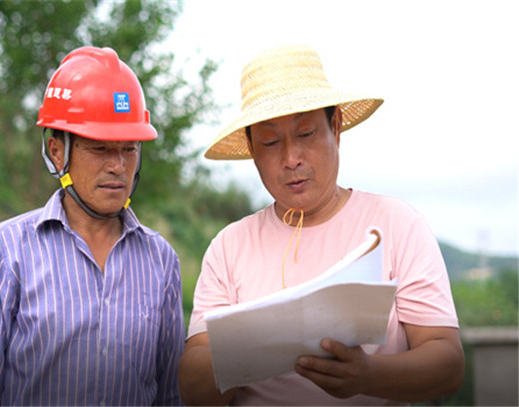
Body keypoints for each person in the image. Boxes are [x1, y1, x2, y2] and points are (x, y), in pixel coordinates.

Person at [178, 44, 465, 406]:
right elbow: (193, 388)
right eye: (270, 142)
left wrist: (368, 375)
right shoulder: (229, 246)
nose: (291, 158)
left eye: (306, 133)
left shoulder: (397, 225)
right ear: (252, 150)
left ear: (336, 127)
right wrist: (251, 345)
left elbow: (448, 364)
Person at [0, 46, 185, 406]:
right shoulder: (6, 252)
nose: (118, 166)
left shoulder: (161, 260)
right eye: (99, 148)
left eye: (129, 149)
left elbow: (171, 396)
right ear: (57, 151)